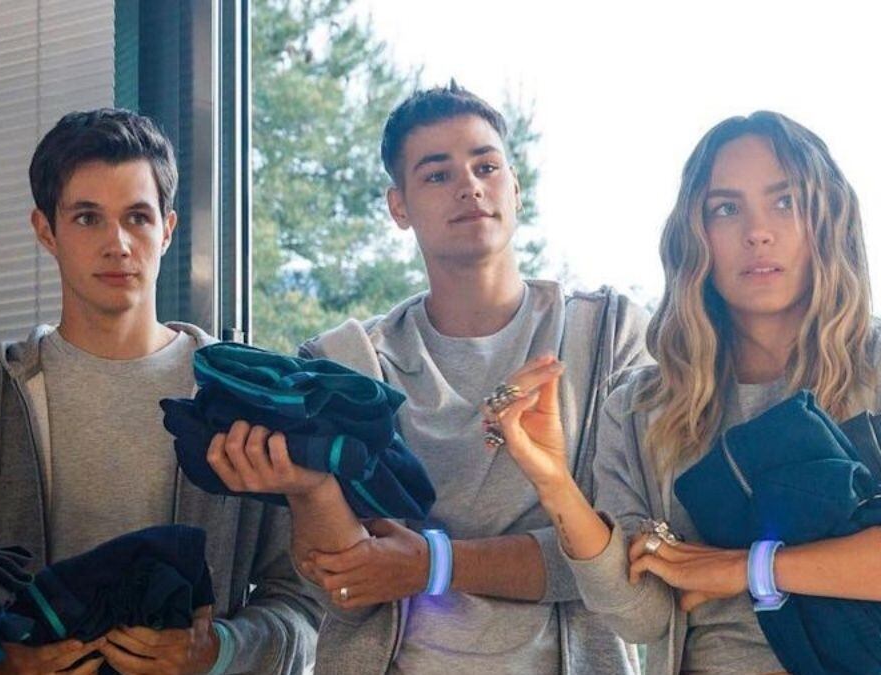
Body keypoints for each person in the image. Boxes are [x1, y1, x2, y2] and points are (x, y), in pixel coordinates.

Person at [206, 83, 649, 674]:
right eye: (437, 175)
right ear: (399, 207)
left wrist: (431, 565)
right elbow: (342, 586)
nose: (470, 186)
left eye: (486, 166)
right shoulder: (346, 364)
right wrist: (309, 488)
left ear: (516, 187)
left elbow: (624, 558)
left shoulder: (607, 336)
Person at [0, 108, 319, 675]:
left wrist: (219, 652)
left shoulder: (243, 402)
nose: (117, 243)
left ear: (168, 229)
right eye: (87, 218)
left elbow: (305, 604)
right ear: (46, 231)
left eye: (137, 217)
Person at [495, 110, 881, 674]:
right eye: (726, 208)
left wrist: (749, 568)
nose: (757, 232)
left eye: (785, 201)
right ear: (694, 235)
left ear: (829, 218)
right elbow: (642, 618)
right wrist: (556, 485)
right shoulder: (640, 408)